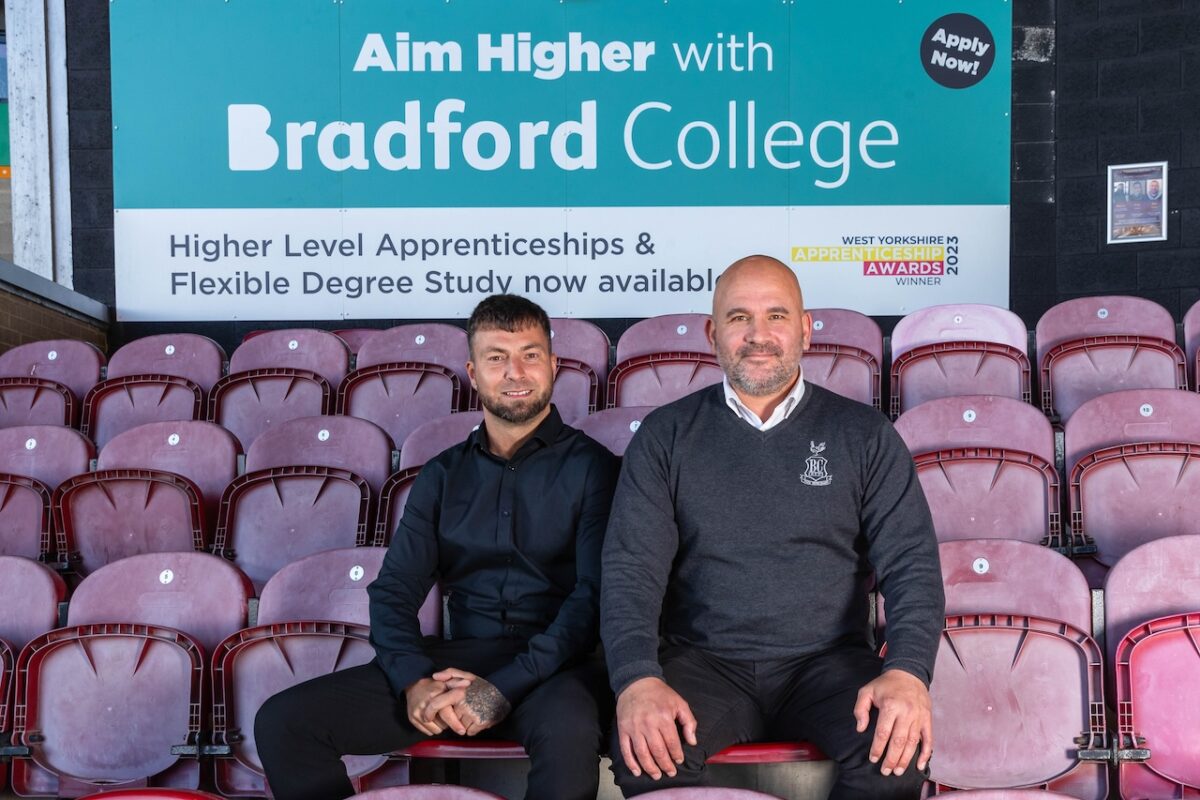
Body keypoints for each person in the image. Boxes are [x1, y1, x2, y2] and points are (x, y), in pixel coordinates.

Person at [601, 255, 945, 799]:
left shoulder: (864, 435)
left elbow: (912, 564)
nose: (758, 336)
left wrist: (908, 671)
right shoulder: (665, 437)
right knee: (647, 756)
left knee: (894, 756)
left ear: (805, 330)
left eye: (776, 316)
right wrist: (636, 678)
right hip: (704, 663)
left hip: (827, 666)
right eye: (739, 318)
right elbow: (630, 569)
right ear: (713, 334)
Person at [256, 294, 620, 800]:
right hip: (457, 661)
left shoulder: (596, 468)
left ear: (554, 366)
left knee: (570, 732)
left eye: (530, 355)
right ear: (473, 372)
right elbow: (394, 592)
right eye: (497, 357)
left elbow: (593, 600)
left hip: (557, 668)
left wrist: (502, 687)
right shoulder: (442, 474)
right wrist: (413, 682)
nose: (515, 372)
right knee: (285, 721)